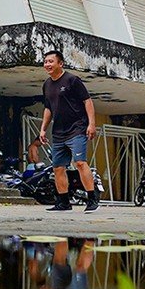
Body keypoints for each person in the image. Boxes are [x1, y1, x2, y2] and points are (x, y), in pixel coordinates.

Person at [37, 49, 99, 211]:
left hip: (77, 128)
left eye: (51, 61)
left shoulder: (72, 80)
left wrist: (91, 124)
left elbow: (88, 102)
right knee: (58, 167)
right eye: (45, 62)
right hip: (58, 132)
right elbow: (48, 108)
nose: (47, 64)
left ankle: (92, 198)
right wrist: (43, 129)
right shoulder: (47, 85)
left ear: (60, 63)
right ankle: (63, 202)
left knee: (79, 162)